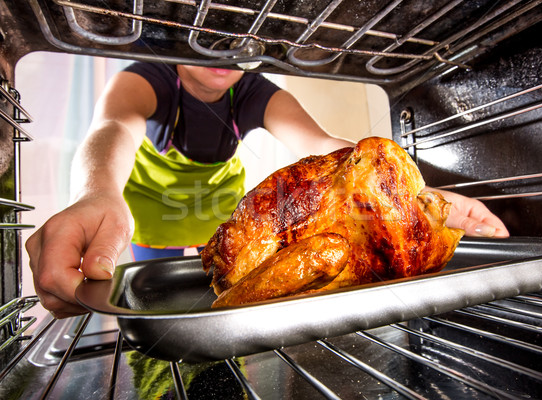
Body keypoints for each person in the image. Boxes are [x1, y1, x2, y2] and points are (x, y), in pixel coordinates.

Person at [25, 62, 509, 318]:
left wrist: (413, 199)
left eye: (237, 38)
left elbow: (323, 146)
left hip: (226, 226)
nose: (223, 55)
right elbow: (111, 128)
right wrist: (95, 193)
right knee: (162, 329)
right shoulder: (149, 79)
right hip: (154, 232)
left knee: (225, 341)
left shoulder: (251, 90)